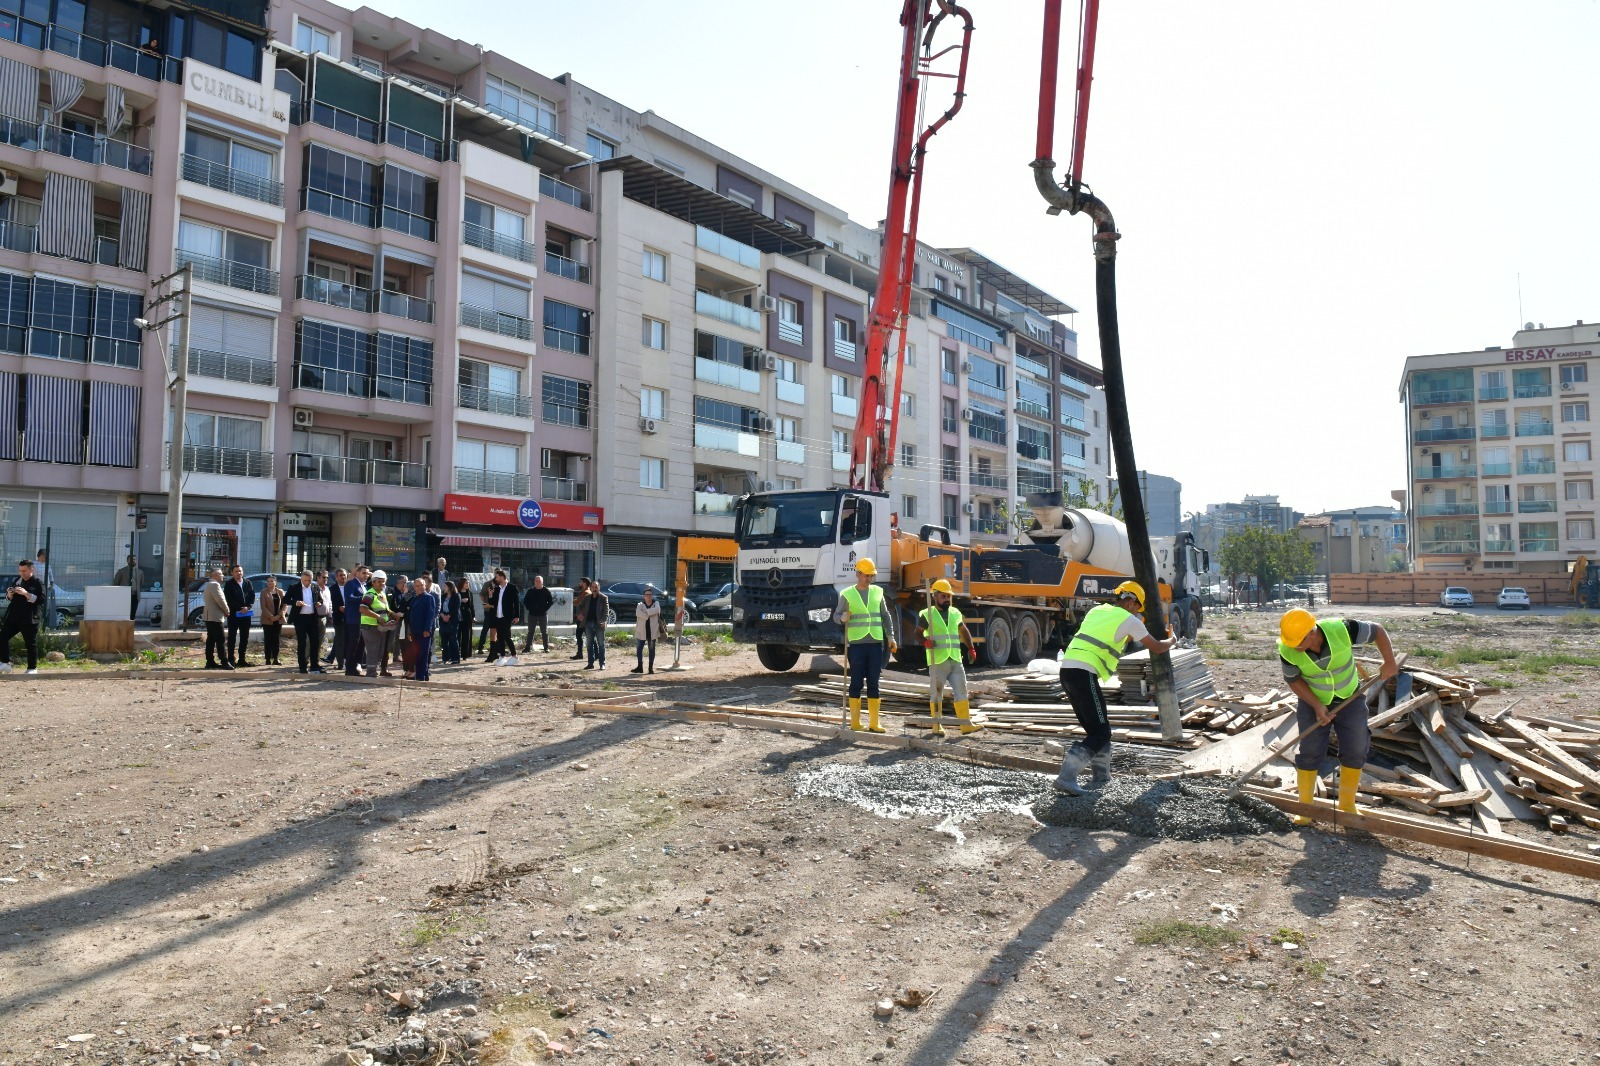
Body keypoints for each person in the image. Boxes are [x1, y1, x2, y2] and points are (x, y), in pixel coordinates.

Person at [1053, 581, 1176, 794]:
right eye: (1138, 607)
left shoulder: (1097, 610)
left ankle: (1101, 777)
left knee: (1096, 729)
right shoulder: (1129, 619)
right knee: (1101, 731)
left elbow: (1112, 636)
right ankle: (1067, 777)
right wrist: (1172, 640)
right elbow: (1156, 647)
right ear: (1130, 602)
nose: (1138, 612)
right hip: (1084, 673)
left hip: (1068, 672)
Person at [1278, 608, 1399, 824]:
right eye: (1291, 642)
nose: (1294, 646)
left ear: (1312, 633)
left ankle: (1347, 805)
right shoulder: (1287, 650)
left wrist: (1389, 661)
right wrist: (1316, 705)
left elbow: (1378, 631)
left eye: (1298, 641)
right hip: (1312, 699)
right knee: (1310, 749)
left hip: (1350, 697)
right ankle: (1305, 809)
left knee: (1356, 746)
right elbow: (1294, 680)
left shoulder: (1342, 629)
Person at [832, 558, 898, 732]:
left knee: (874, 682)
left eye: (871, 576)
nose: (869, 579)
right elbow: (836, 616)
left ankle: (874, 723)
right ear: (858, 574)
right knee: (856, 682)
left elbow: (886, 616)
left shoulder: (878, 592)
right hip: (857, 645)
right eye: (866, 575)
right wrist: (841, 618)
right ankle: (855, 722)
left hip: (876, 643)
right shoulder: (847, 594)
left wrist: (891, 637)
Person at [912, 578, 979, 737]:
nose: (947, 599)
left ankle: (966, 725)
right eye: (943, 596)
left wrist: (971, 648)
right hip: (937, 661)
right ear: (934, 597)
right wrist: (925, 642)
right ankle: (937, 726)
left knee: (962, 691)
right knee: (936, 693)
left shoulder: (955, 613)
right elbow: (917, 633)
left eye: (948, 596)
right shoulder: (927, 614)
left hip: (955, 660)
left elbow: (964, 631)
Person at [0, 558, 46, 673]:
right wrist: (10, 594)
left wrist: (26, 594)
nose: (22, 573)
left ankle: (32, 668)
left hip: (30, 619)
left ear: (32, 570)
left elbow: (41, 600)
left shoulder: (38, 583)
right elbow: (9, 598)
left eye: (24, 570)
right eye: (20, 570)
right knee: (2, 637)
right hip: (14, 618)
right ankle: (5, 663)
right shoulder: (17, 580)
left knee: (30, 644)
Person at [287, 570, 326, 674]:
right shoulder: (294, 587)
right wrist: (296, 603)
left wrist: (318, 603)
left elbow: (320, 600)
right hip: (300, 619)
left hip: (313, 618)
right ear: (301, 579)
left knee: (315, 642)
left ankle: (314, 665)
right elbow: (285, 600)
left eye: (309, 580)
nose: (307, 582)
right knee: (302, 643)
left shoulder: (315, 587)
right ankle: (302, 666)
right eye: (305, 580)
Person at [359, 570, 396, 678]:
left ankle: (373, 672)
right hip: (370, 627)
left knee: (379, 651)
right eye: (379, 581)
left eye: (383, 581)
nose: (382, 584)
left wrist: (394, 615)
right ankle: (371, 673)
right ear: (373, 582)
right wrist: (378, 617)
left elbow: (387, 610)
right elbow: (362, 609)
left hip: (380, 627)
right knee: (373, 650)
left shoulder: (381, 594)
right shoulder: (370, 594)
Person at [223, 564, 255, 667]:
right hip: (234, 614)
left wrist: (248, 607)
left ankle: (242, 659)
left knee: (244, 636)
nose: (238, 573)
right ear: (232, 573)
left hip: (246, 614)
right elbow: (228, 599)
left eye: (240, 571)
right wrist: (240, 608)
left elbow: (251, 595)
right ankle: (231, 659)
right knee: (232, 636)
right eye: (236, 571)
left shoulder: (247, 583)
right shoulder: (229, 584)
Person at [485, 568, 520, 662]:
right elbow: (493, 603)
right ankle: (502, 656)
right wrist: (491, 595)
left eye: (497, 577)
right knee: (500, 636)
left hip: (507, 616)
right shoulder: (497, 589)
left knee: (506, 636)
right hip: (498, 616)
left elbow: (516, 603)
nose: (495, 579)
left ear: (502, 577)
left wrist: (517, 616)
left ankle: (514, 656)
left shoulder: (512, 587)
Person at [407, 576, 437, 682]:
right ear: (414, 587)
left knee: (423, 654)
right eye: (416, 586)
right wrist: (410, 631)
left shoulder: (429, 597)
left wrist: (427, 629)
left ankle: (421, 676)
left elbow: (430, 615)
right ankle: (421, 674)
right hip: (415, 631)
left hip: (424, 631)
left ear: (425, 586)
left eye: (421, 585)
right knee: (416, 653)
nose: (419, 588)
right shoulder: (414, 598)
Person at [201, 567, 230, 670]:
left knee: (211, 639)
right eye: (221, 574)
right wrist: (227, 610)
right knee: (220, 639)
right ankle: (224, 661)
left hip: (210, 616)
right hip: (215, 616)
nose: (222, 576)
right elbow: (220, 600)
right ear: (215, 575)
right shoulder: (215, 585)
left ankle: (210, 661)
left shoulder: (209, 584)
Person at [343, 565, 369, 676]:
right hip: (353, 619)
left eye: (367, 573)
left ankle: (357, 665)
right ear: (357, 573)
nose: (366, 575)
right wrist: (364, 598)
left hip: (363, 618)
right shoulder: (351, 583)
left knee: (361, 644)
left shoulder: (364, 586)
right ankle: (349, 668)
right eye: (364, 573)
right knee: (354, 643)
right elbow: (349, 598)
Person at [631, 586, 662, 674]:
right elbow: (638, 613)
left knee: (651, 649)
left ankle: (650, 668)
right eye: (647, 594)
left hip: (652, 631)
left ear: (652, 596)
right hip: (641, 631)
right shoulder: (640, 604)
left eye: (650, 594)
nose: (648, 596)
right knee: (639, 648)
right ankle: (640, 666)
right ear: (644, 596)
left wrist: (646, 612)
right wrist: (649, 614)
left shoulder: (656, 603)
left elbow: (657, 610)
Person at [323, 567, 347, 669]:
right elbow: (330, 603)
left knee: (349, 640)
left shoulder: (350, 587)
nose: (343, 577)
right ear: (336, 577)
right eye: (340, 575)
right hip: (339, 618)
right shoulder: (331, 589)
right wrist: (338, 608)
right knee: (340, 641)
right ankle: (340, 663)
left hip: (351, 618)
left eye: (344, 575)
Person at [258, 575, 285, 666]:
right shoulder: (263, 592)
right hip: (267, 620)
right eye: (268, 581)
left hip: (278, 619)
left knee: (276, 639)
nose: (270, 583)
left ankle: (276, 658)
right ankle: (268, 658)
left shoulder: (280, 592)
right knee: (268, 639)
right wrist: (271, 617)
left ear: (275, 582)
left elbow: (285, 605)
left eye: (272, 581)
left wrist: (279, 615)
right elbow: (263, 606)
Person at [522, 575, 553, 653]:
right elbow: (525, 601)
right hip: (532, 614)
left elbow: (550, 602)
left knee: (544, 632)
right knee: (530, 631)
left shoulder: (546, 591)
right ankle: (528, 647)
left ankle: (546, 647)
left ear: (542, 582)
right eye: (536, 581)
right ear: (534, 582)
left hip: (543, 614)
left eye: (539, 581)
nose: (538, 582)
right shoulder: (531, 590)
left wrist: (545, 608)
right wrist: (529, 608)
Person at [585, 580, 610, 670]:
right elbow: (580, 606)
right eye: (593, 587)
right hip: (588, 623)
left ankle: (602, 663)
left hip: (599, 624)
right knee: (589, 644)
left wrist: (603, 621)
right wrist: (580, 615)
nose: (594, 589)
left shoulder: (603, 598)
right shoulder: (587, 598)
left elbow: (606, 611)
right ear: (590, 588)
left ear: (599, 588)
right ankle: (590, 663)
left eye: (596, 587)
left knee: (601, 644)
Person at [112, 554, 142, 621]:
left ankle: (131, 628)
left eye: (134, 559)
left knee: (133, 612)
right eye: (131, 559)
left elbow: (141, 583)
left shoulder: (140, 572)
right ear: (127, 561)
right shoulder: (121, 571)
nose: (133, 561)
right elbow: (116, 583)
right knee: (124, 612)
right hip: (124, 595)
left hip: (135, 596)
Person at [439, 580, 462, 664]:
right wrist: (442, 615)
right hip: (443, 619)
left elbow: (456, 608)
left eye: (445, 586)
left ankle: (455, 658)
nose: (443, 588)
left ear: (449, 587)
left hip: (453, 620)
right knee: (444, 640)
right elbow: (439, 607)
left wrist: (449, 616)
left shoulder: (456, 595)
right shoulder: (443, 596)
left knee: (453, 638)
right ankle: (445, 658)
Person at [572, 577, 592, 660]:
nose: (579, 583)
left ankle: (581, 654)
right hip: (582, 618)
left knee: (582, 636)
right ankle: (580, 654)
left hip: (583, 618)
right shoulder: (584, 592)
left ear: (584, 583)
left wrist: (571, 600)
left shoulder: (586, 593)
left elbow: (577, 602)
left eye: (580, 582)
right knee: (585, 636)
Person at [475, 579, 496, 656]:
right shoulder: (488, 584)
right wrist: (484, 604)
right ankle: (480, 647)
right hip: (488, 611)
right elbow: (481, 594)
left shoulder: (502, 585)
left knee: (498, 629)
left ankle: (498, 647)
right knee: (486, 628)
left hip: (497, 611)